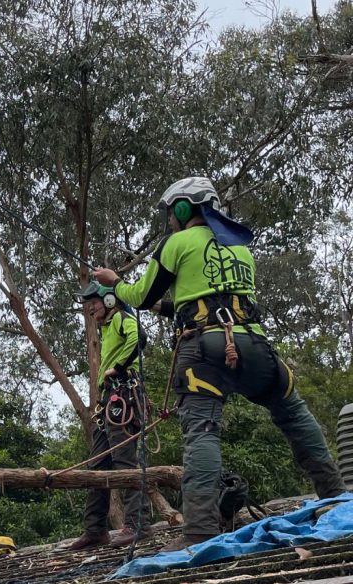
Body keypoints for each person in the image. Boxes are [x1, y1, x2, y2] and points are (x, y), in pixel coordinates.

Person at [92, 177, 345, 551]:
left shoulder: (177, 242)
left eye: (171, 213)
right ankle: (336, 499)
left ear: (181, 209)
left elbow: (141, 296)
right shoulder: (239, 246)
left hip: (205, 353)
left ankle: (199, 532)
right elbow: (197, 300)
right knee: (294, 413)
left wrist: (115, 284)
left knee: (203, 432)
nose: (170, 221)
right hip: (255, 345)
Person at [67, 281, 152, 551]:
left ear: (109, 300)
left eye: (93, 302)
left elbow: (140, 337)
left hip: (124, 396)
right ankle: (95, 530)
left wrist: (117, 367)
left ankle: (139, 524)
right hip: (109, 401)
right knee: (98, 464)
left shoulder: (122, 319)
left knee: (124, 461)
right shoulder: (106, 328)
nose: (89, 308)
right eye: (87, 303)